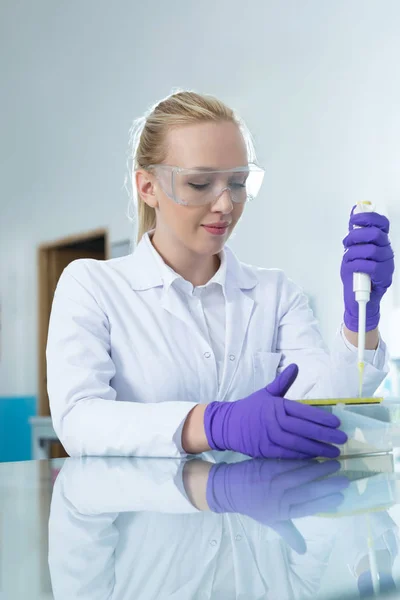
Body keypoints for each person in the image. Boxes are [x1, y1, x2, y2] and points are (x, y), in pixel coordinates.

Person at [46, 90, 394, 459]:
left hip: (255, 512)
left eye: (238, 183)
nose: (226, 204)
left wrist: (361, 322)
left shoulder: (275, 294)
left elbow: (322, 415)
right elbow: (79, 421)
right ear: (148, 187)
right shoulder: (92, 286)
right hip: (145, 513)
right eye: (199, 184)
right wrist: (213, 425)